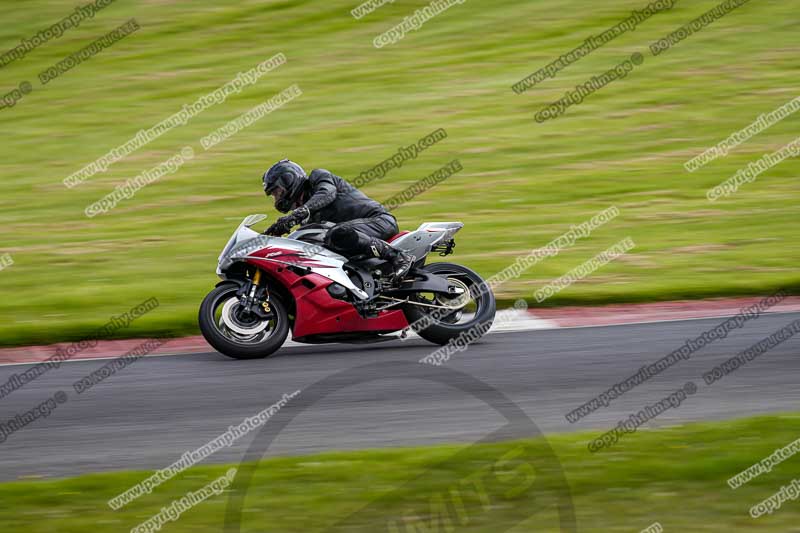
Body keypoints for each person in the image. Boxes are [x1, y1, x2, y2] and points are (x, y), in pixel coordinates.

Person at [262, 159, 414, 279]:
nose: (277, 198)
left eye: (277, 192)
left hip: (379, 221)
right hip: (355, 237)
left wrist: (298, 214)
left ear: (288, 180)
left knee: (337, 233)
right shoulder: (308, 219)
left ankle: (399, 256)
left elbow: (327, 193)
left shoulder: (318, 177)